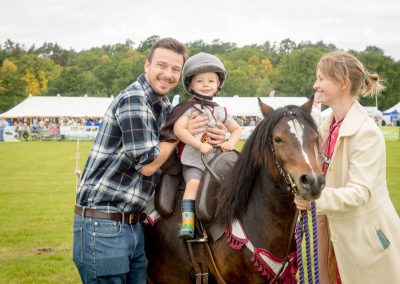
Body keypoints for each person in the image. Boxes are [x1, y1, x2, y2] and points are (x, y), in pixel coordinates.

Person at [73, 38, 227, 284]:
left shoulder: (163, 105)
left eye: (175, 69)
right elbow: (149, 165)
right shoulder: (134, 100)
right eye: (161, 66)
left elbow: (181, 142)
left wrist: (217, 134)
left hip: (133, 223)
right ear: (147, 66)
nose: (168, 74)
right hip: (103, 223)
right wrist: (181, 133)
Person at [294, 51, 400, 283]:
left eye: (321, 78)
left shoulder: (367, 133)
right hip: (331, 240)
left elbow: (360, 191)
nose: (315, 84)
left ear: (342, 83)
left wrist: (314, 200)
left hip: (364, 242)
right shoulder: (325, 128)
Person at [141, 52, 242, 239]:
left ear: (218, 84)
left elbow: (237, 129)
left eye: (211, 81)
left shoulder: (221, 111)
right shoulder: (188, 108)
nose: (206, 85)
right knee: (193, 184)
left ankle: (232, 223)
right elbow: (179, 130)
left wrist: (229, 142)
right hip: (194, 159)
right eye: (200, 81)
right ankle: (187, 223)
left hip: (214, 159)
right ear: (191, 85)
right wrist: (198, 144)